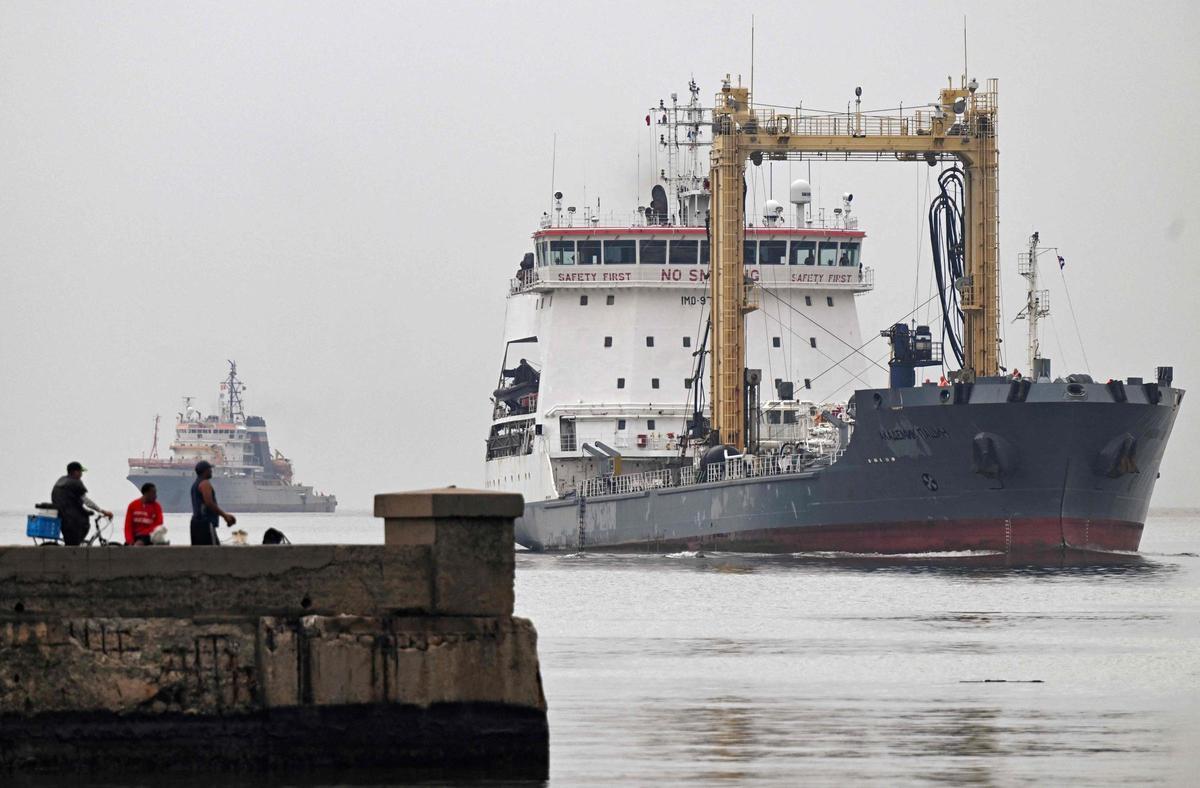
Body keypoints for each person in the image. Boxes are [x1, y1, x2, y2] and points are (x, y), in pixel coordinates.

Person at [50, 462, 112, 546]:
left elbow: (71, 501)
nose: (81, 475)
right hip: (72, 520)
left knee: (70, 541)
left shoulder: (61, 480)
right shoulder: (75, 483)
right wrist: (102, 511)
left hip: (62, 517)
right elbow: (86, 501)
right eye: (80, 472)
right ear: (75, 472)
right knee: (84, 527)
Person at [190, 460, 236, 545]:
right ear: (205, 471)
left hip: (195, 523)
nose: (211, 471)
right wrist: (225, 516)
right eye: (209, 469)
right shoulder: (205, 483)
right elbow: (209, 503)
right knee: (213, 551)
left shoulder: (195, 485)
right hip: (205, 523)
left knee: (198, 552)